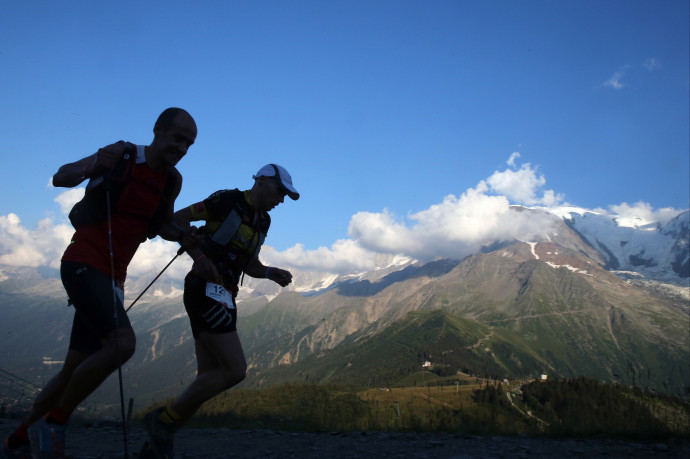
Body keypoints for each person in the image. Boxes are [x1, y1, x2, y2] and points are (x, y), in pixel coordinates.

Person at [2, 108, 197, 458]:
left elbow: (163, 224)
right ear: (158, 130)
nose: (182, 148)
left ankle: (17, 437)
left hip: (113, 277)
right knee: (123, 344)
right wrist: (91, 169)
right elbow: (60, 177)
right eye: (177, 138)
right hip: (82, 262)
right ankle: (55, 421)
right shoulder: (121, 154)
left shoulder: (172, 181)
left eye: (189, 144)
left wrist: (186, 236)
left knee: (72, 370)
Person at [142, 164, 299, 459]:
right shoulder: (226, 200)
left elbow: (249, 265)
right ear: (262, 182)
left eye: (285, 196)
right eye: (280, 192)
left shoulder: (263, 221)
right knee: (235, 370)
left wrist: (269, 273)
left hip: (227, 295)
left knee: (209, 376)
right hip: (204, 289)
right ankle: (161, 421)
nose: (281, 200)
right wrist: (197, 254)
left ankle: (156, 447)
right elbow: (173, 222)